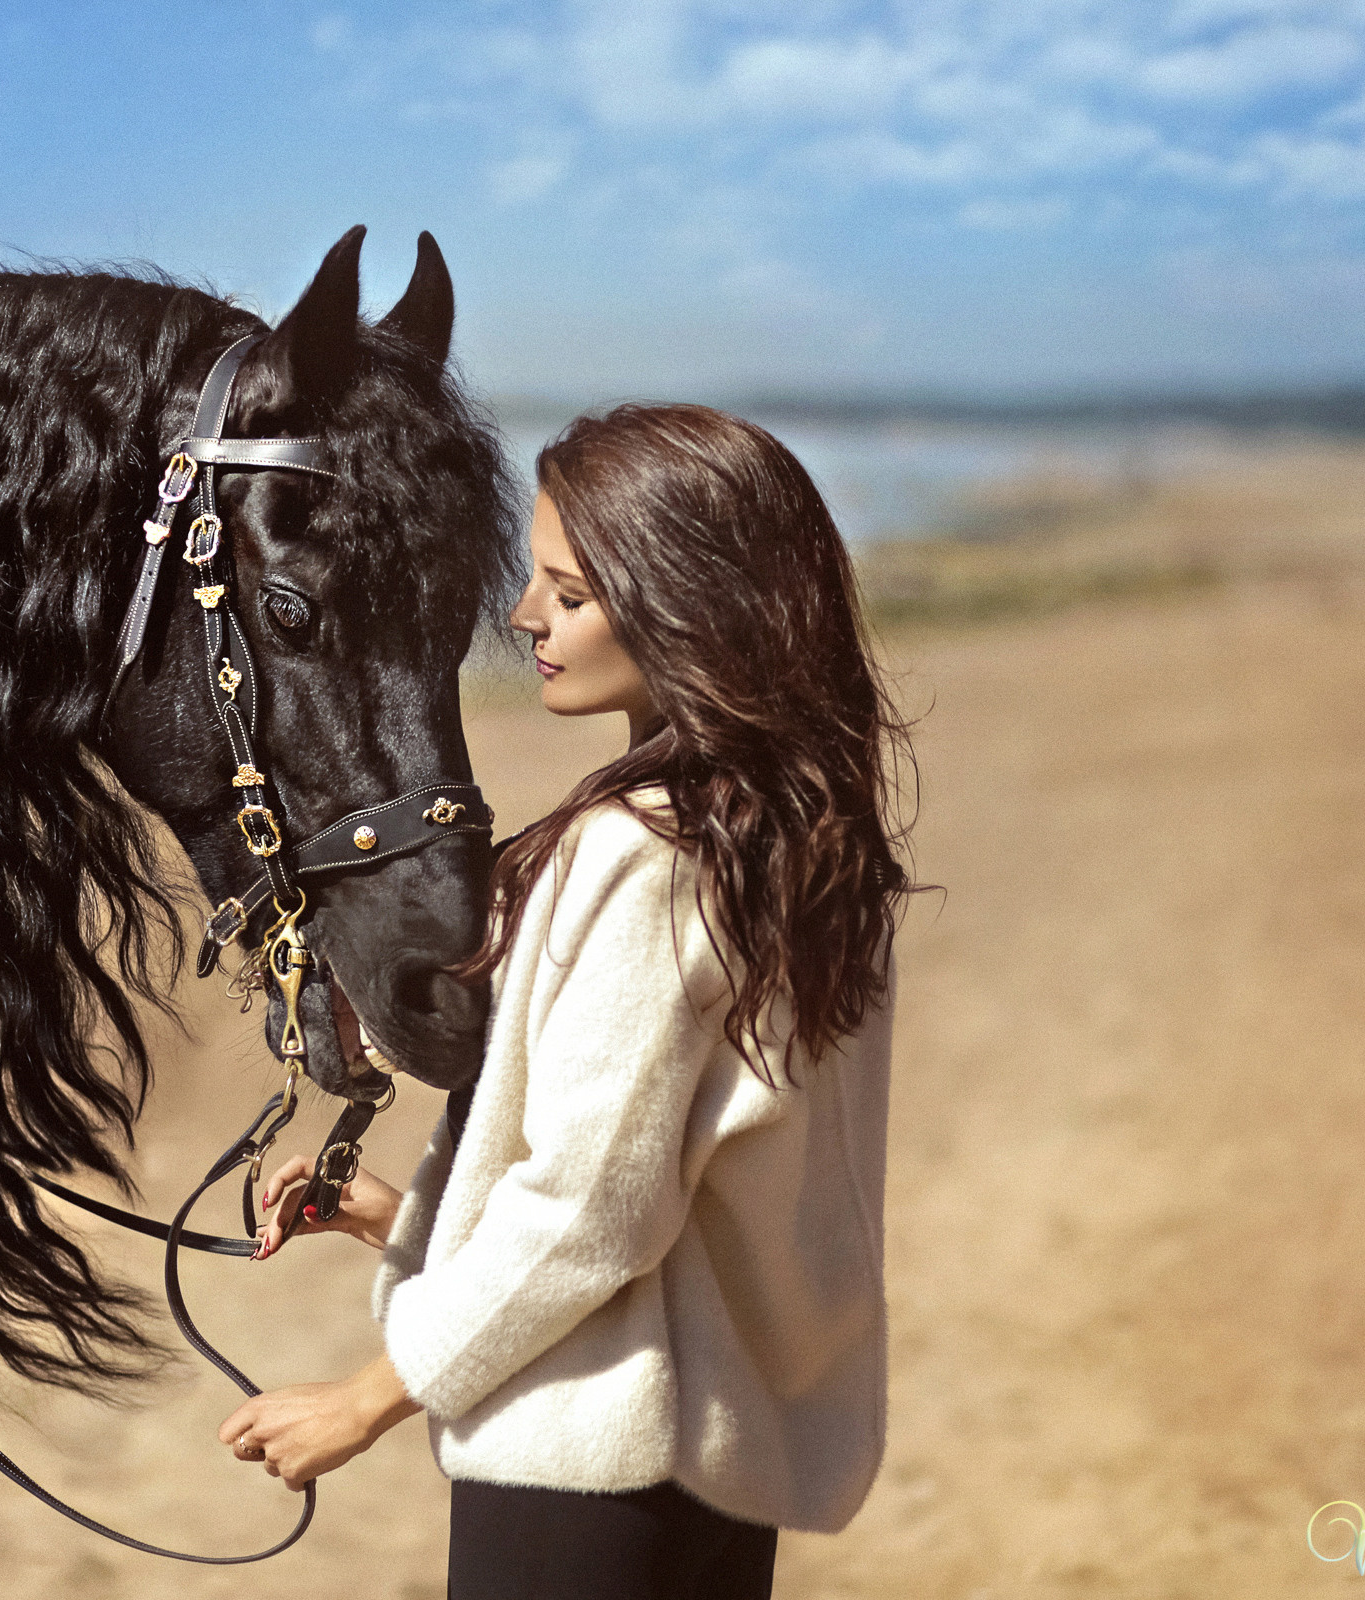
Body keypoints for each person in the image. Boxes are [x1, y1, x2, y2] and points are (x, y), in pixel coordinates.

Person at [217, 404, 913, 1598]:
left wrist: (369, 1397)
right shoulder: (797, 841)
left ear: (685, 603)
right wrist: (404, 1220)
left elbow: (597, 1209)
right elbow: (676, 1184)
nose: (524, 616)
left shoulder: (641, 850)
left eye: (569, 593)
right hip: (708, 1459)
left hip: (586, 1471)